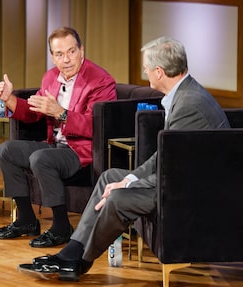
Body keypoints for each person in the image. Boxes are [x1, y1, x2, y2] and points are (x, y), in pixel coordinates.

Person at [18, 36, 231, 281]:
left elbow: (171, 170)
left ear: (159, 72)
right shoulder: (184, 94)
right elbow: (165, 155)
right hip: (177, 179)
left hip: (188, 192)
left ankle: (79, 260)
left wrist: (128, 185)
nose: (145, 72)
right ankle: (73, 250)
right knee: (111, 176)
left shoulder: (189, 105)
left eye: (147, 68)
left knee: (119, 197)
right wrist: (128, 177)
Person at [0, 27, 117, 248]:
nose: (66, 60)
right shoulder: (50, 77)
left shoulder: (100, 80)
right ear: (52, 56)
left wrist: (61, 113)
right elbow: (32, 113)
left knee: (40, 158)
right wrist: (9, 99)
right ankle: (26, 220)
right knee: (6, 151)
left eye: (71, 52)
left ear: (81, 50)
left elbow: (97, 125)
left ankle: (61, 227)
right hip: (55, 145)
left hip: (81, 151)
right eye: (59, 54)